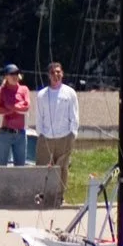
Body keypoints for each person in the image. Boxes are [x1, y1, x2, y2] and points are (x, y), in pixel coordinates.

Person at [33, 61, 80, 200]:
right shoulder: (42, 94)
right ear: (49, 75)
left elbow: (74, 115)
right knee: (42, 167)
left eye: (58, 72)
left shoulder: (70, 93)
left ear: (62, 74)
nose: (56, 75)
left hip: (65, 136)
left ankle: (60, 197)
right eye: (53, 73)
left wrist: (73, 133)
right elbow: (39, 117)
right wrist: (40, 133)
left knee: (62, 168)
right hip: (46, 137)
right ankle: (41, 195)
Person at [0, 64, 31, 165]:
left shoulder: (24, 89)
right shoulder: (2, 90)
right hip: (4, 132)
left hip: (20, 133)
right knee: (1, 166)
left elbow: (27, 107)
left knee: (20, 166)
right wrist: (18, 106)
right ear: (6, 76)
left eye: (16, 73)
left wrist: (10, 107)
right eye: (11, 74)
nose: (15, 76)